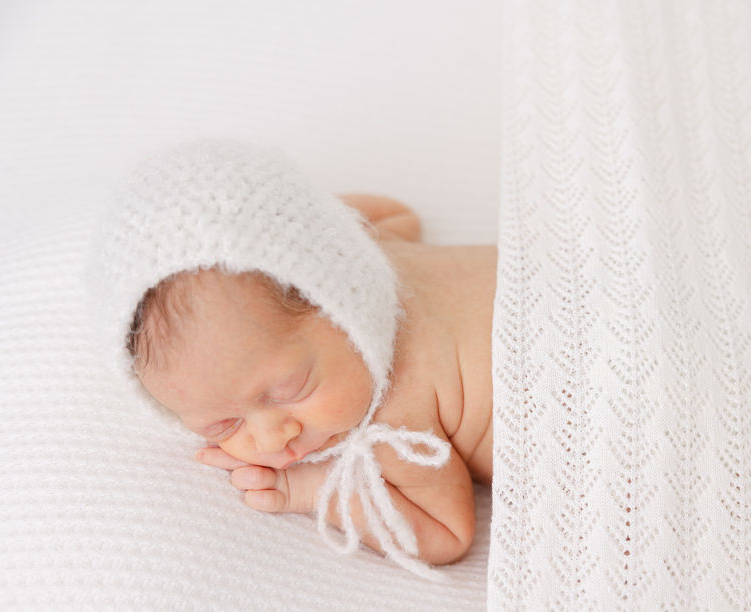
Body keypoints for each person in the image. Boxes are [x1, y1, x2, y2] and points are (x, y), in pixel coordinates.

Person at [90, 141, 495, 575]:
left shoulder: (396, 416)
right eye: (222, 426)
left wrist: (308, 487)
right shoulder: (370, 243)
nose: (271, 439)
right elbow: (394, 212)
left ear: (337, 304)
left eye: (289, 390)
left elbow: (445, 532)